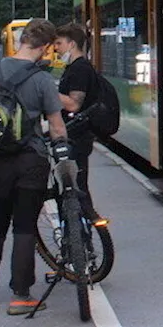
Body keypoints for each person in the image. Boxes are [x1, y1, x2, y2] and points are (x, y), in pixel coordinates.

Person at [0, 18, 71, 314]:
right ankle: (20, 296)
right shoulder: (42, 79)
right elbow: (56, 126)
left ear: (21, 41)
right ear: (44, 48)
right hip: (32, 159)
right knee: (24, 226)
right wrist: (64, 154)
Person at [54, 22, 105, 225]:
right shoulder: (74, 68)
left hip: (78, 136)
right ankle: (82, 233)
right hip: (75, 134)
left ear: (72, 43)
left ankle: (87, 229)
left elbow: (74, 104)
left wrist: (46, 92)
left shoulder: (80, 69)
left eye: (58, 43)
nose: (55, 48)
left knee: (77, 185)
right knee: (76, 184)